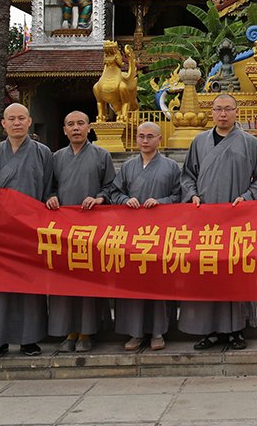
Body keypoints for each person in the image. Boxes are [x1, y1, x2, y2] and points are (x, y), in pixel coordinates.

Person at [179, 93, 257, 350]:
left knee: (237, 272)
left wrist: (248, 197)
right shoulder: (199, 142)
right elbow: (187, 176)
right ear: (212, 112)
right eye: (218, 109)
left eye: (228, 109)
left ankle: (236, 329)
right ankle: (210, 329)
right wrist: (193, 195)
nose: (223, 114)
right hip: (205, 221)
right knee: (209, 272)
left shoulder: (250, 143)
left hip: (238, 219)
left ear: (236, 112)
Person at [0, 103, 53, 360]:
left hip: (29, 231)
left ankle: (29, 339)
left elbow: (49, 189)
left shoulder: (43, 153)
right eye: (11, 119)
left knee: (29, 286)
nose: (17, 123)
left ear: (30, 122)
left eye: (21, 118)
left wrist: (52, 201)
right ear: (3, 124)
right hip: (0, 232)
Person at [105, 121, 182, 351]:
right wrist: (124, 200)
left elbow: (179, 195)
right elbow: (114, 192)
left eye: (150, 136)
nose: (145, 140)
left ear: (160, 139)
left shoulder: (170, 167)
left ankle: (158, 331)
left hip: (159, 235)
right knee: (133, 282)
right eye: (141, 136)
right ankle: (135, 332)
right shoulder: (128, 167)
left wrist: (161, 202)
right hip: (132, 235)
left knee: (157, 282)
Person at [45, 111, 116, 353]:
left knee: (88, 280)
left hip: (92, 228)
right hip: (63, 231)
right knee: (65, 281)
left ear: (89, 128)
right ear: (64, 130)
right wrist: (51, 197)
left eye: (80, 124)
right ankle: (68, 331)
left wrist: (98, 198)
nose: (76, 128)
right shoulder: (55, 158)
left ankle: (87, 331)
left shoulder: (101, 155)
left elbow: (110, 187)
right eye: (71, 124)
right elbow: (49, 187)